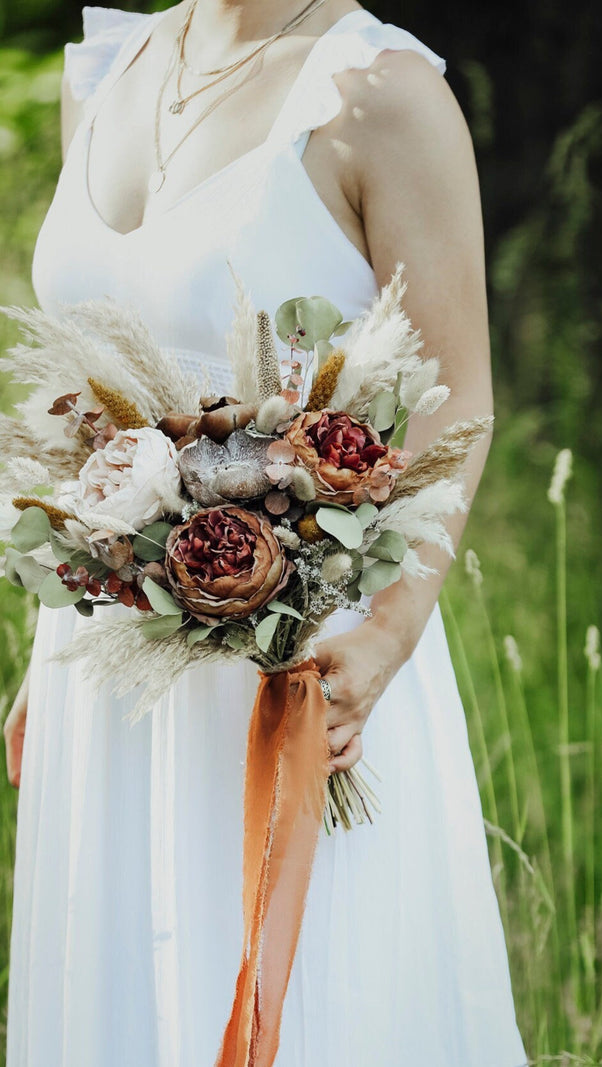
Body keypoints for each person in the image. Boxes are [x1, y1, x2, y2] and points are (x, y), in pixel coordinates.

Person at [3, 2, 529, 1064]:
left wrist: (386, 635)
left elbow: (455, 398)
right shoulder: (110, 66)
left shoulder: (382, 97)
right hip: (106, 662)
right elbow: (93, 375)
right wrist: (52, 619)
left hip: (301, 658)